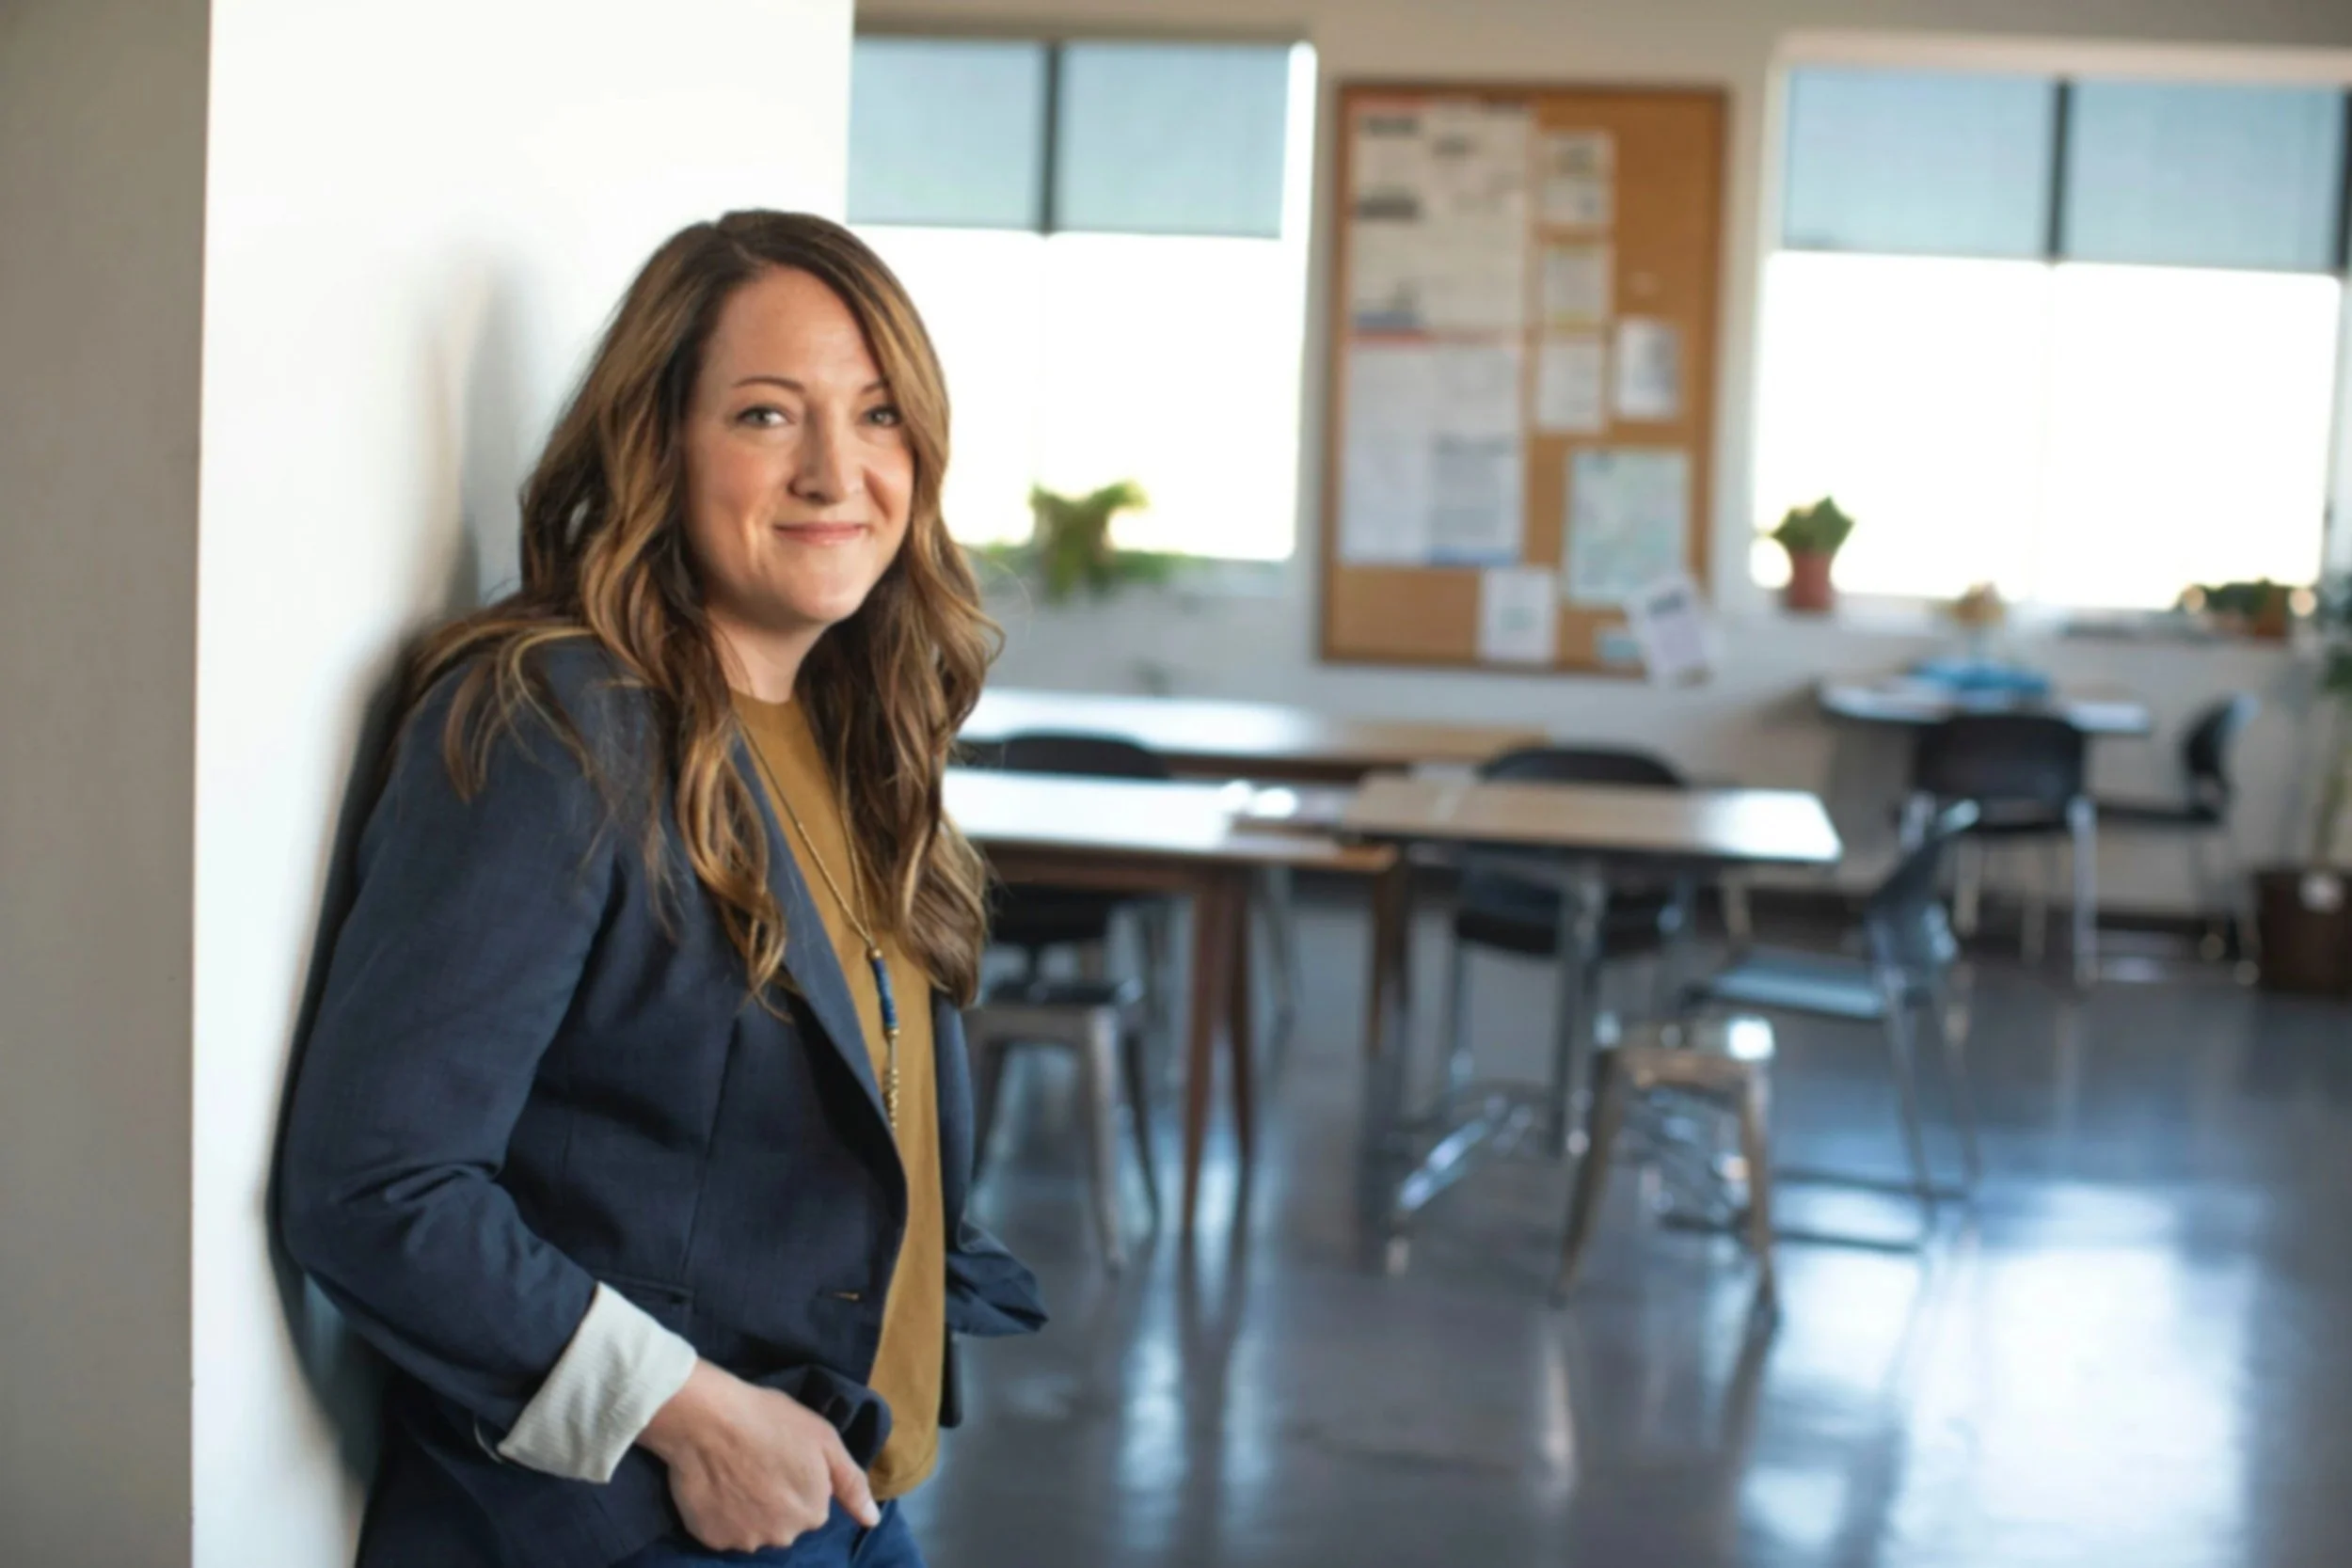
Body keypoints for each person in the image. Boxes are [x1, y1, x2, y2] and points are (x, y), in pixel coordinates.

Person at [279, 210, 1044, 1568]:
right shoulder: (557, 723)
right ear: (660, 442)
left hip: (842, 1492)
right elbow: (377, 1181)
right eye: (765, 415)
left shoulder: (856, 729)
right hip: (644, 1518)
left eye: (877, 415)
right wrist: (690, 1415)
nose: (836, 469)